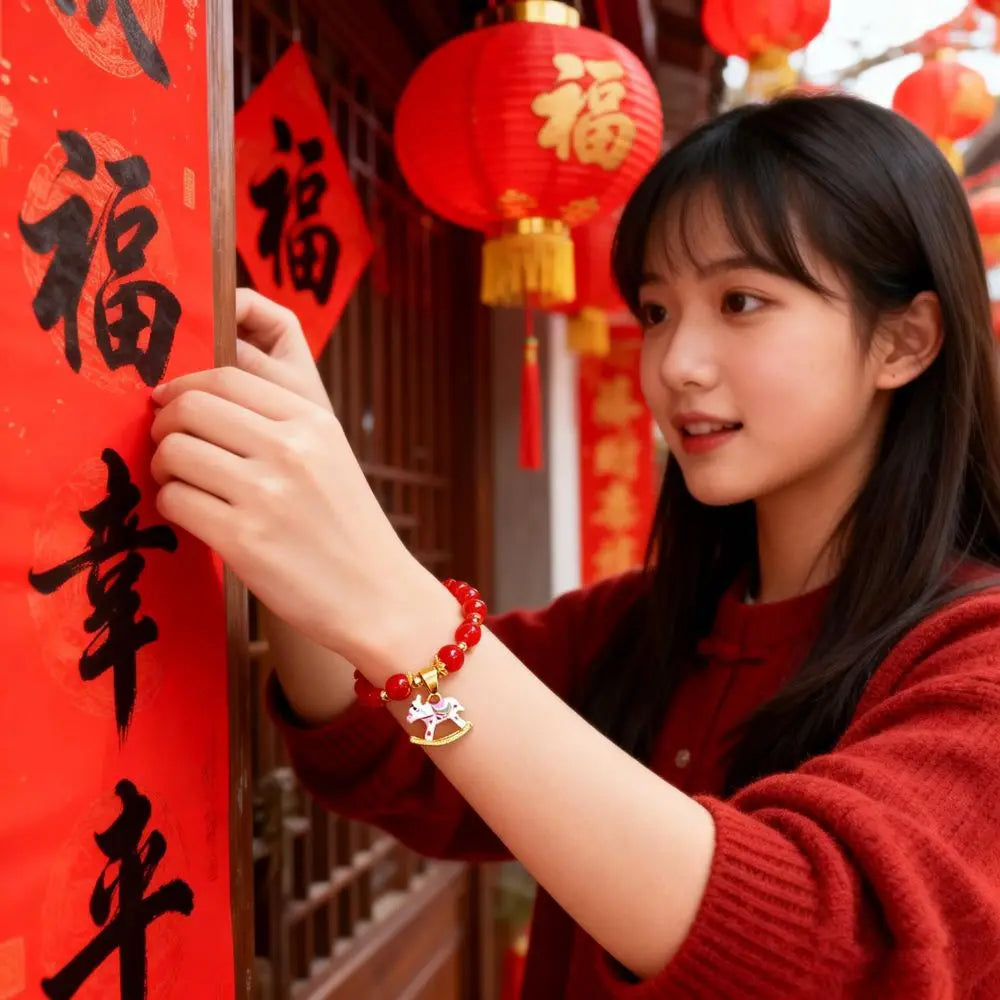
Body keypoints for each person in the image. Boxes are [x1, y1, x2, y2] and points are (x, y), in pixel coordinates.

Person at [149, 94, 1000, 998]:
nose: (676, 364)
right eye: (659, 311)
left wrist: (398, 608)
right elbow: (412, 744)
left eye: (741, 301)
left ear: (906, 341)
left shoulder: (973, 662)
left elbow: (815, 950)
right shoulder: (636, 629)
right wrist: (294, 538)